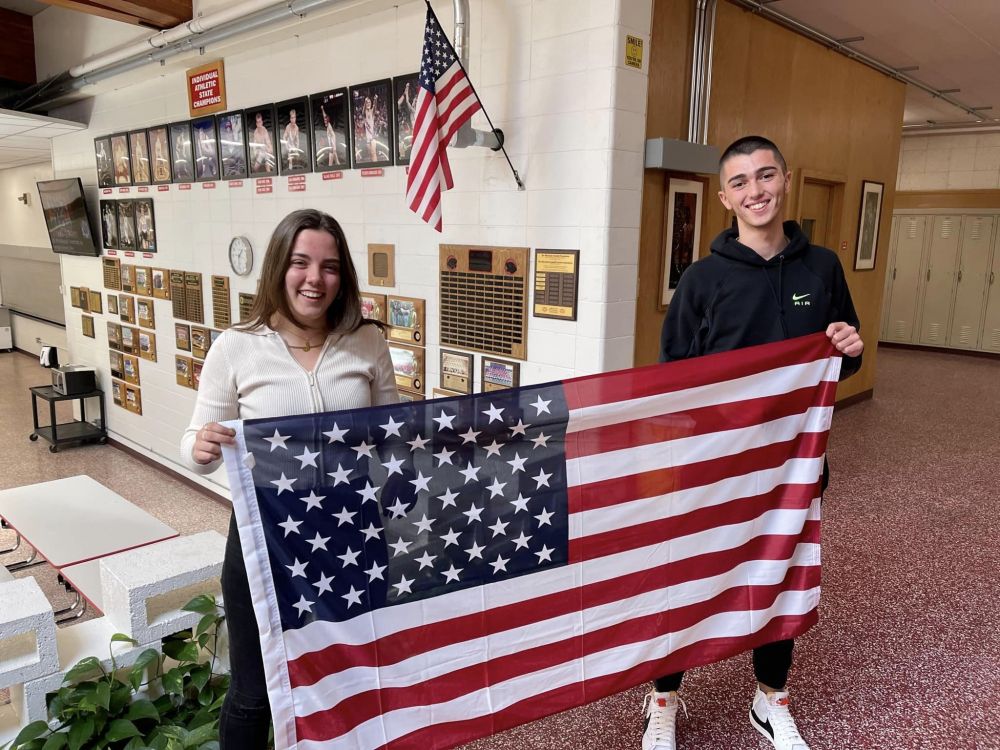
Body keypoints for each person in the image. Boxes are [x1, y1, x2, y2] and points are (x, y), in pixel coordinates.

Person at [645, 136, 864, 750]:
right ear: (724, 198)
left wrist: (851, 349)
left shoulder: (822, 268)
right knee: (687, 582)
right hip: (717, 467)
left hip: (794, 466)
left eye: (766, 176)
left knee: (782, 578)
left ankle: (771, 700)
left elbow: (840, 358)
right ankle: (663, 698)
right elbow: (674, 380)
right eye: (741, 182)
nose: (756, 190)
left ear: (786, 180)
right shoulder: (701, 279)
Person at [179, 209, 398, 749]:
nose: (314, 279)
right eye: (301, 263)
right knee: (255, 693)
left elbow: (393, 438)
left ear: (342, 276)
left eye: (328, 266)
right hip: (266, 542)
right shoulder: (236, 346)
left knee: (352, 682)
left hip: (352, 539)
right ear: (279, 267)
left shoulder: (366, 342)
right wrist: (200, 446)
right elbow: (192, 443)